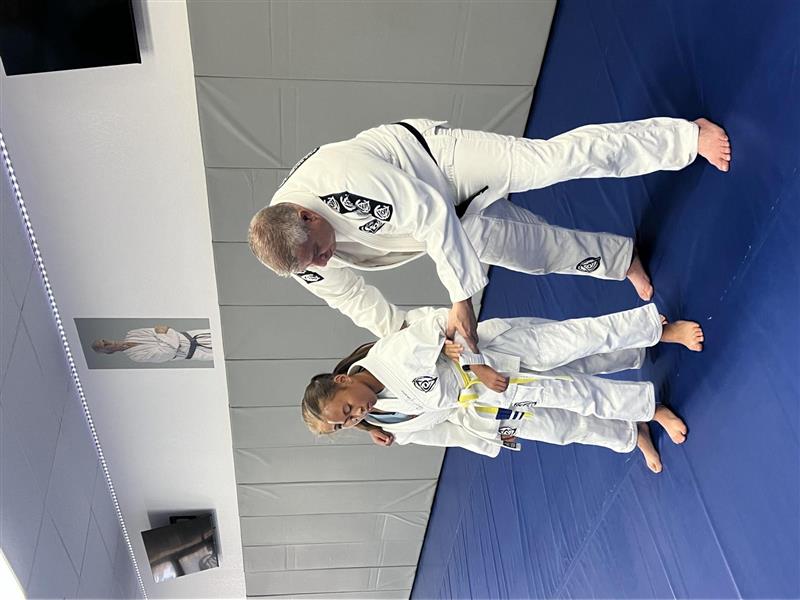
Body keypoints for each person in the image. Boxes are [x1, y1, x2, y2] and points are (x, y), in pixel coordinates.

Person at [249, 117, 730, 350]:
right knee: (533, 254)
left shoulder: (336, 179)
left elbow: (428, 211)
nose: (323, 263)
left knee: (553, 161)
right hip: (437, 228)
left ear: (306, 215)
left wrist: (461, 298)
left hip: (443, 167)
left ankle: (686, 136)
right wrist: (416, 334)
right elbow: (355, 300)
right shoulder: (299, 254)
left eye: (318, 252)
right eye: (311, 265)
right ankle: (619, 259)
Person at [301, 304, 705, 473]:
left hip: (490, 358)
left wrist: (473, 365)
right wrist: (488, 436)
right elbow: (444, 432)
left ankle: (657, 333)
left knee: (575, 345)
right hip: (485, 410)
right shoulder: (388, 425)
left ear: (343, 381)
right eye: (346, 424)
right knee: (562, 428)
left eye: (346, 409)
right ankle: (631, 431)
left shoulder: (391, 353)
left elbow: (450, 322)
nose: (356, 415)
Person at [91, 326, 213, 363]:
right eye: (104, 346)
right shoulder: (135, 356)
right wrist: (164, 335)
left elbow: (164, 328)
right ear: (108, 352)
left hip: (194, 335)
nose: (107, 342)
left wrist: (166, 339)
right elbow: (167, 354)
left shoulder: (132, 333)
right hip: (198, 353)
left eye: (104, 340)